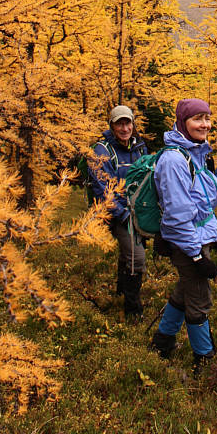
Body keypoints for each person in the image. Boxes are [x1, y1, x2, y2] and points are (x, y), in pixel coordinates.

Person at [150, 98, 217, 369]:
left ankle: (162, 342)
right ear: (183, 122)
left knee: (185, 289)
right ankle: (204, 358)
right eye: (197, 119)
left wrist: (215, 231)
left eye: (207, 118)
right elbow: (179, 216)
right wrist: (196, 256)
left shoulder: (196, 152)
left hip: (197, 237)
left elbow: (200, 201)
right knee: (199, 299)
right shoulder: (174, 160)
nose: (205, 124)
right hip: (186, 242)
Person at [88, 105, 148, 319]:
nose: (124, 128)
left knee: (128, 252)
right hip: (114, 213)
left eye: (127, 123)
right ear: (112, 126)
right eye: (119, 124)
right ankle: (133, 310)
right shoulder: (101, 152)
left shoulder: (139, 147)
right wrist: (123, 215)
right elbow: (103, 191)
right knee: (136, 257)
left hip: (136, 212)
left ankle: (121, 291)